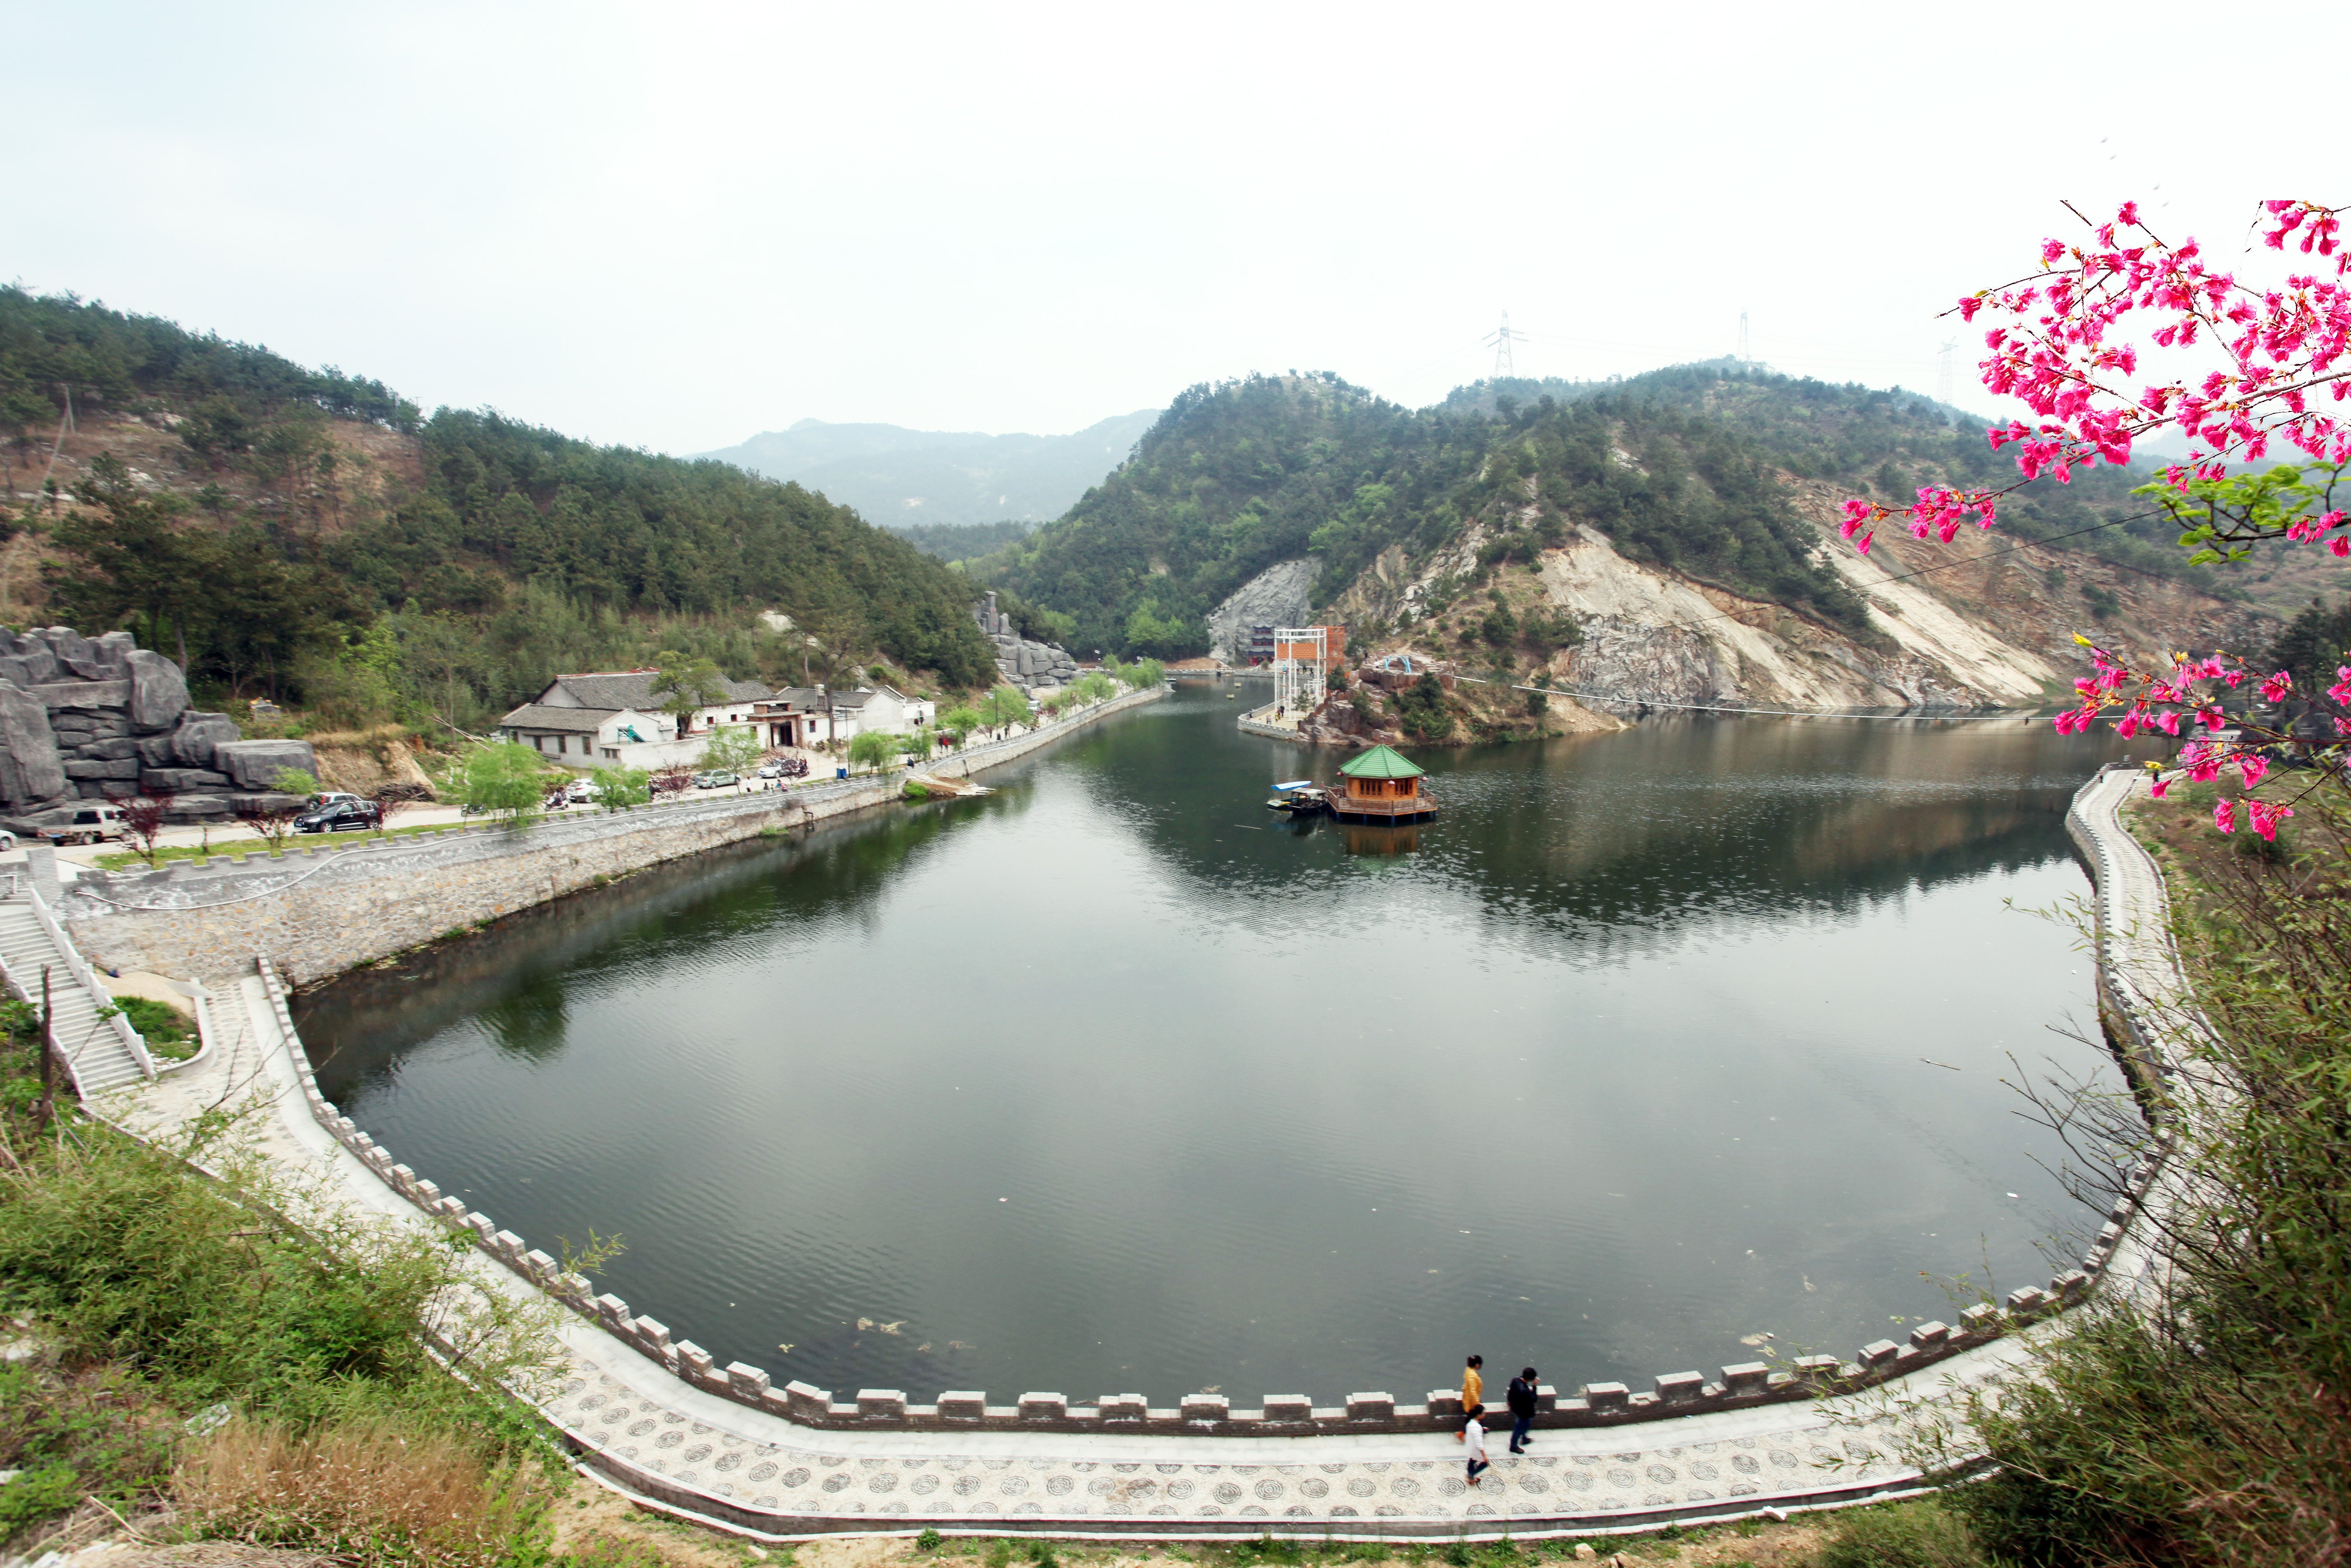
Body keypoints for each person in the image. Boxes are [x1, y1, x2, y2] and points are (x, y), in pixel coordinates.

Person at [1507, 1366, 1539, 1454]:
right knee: (1520, 1427)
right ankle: (1513, 1446)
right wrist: (1535, 1386)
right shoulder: (1525, 1391)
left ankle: (1524, 1438)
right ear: (1531, 1379)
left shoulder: (1516, 1380)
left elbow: (1511, 1391)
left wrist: (1509, 1401)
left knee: (1526, 1424)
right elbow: (1534, 1399)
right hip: (1524, 1412)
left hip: (1516, 1408)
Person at [1455, 1354, 1483, 1442]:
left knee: (1472, 1420)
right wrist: (1478, 1404)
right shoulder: (1472, 1375)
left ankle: (1479, 1432)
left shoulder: (1469, 1370)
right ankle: (1462, 1434)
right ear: (1477, 1365)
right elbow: (1473, 1391)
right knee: (1474, 1420)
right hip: (1472, 1402)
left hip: (1470, 1400)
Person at [1462, 1402, 1490, 1487]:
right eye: (1483, 1413)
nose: (1485, 1415)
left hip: (1471, 1447)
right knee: (1485, 1463)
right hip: (1476, 1449)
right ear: (1479, 1415)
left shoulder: (1471, 1423)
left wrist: (1483, 1430)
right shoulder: (1476, 1428)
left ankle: (1471, 1477)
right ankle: (1472, 1475)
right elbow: (1479, 1444)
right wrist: (1484, 1455)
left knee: (1472, 1460)